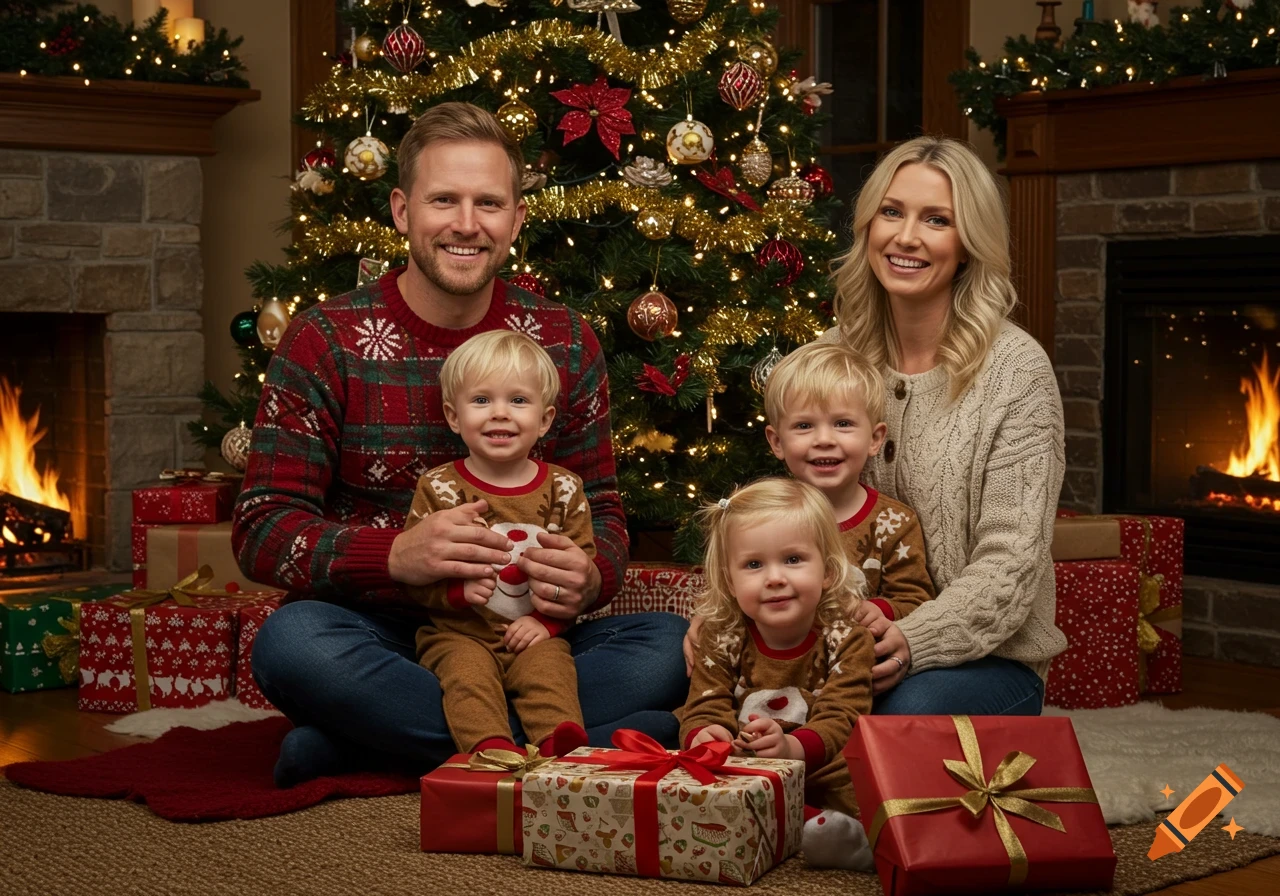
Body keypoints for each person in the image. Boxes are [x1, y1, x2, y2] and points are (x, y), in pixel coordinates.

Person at [233, 102, 688, 787]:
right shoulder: (324, 340)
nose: (467, 224)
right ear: (401, 211)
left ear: (516, 220)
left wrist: (588, 578)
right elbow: (263, 529)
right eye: (443, 199)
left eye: (489, 203)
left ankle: (373, 744)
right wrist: (396, 555)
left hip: (524, 634)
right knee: (290, 646)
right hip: (378, 632)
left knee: (670, 647)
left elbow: (602, 511)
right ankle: (566, 740)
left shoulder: (563, 342)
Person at [823, 134, 1067, 713]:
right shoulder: (834, 358)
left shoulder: (1017, 371)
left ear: (968, 245)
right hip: (844, 638)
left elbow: (1011, 565)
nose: (906, 237)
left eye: (937, 220)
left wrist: (912, 637)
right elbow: (789, 516)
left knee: (894, 716)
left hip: (989, 660)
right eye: (891, 212)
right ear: (868, 226)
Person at [407, 329, 590, 758]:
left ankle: (560, 749)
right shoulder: (437, 488)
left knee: (552, 671)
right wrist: (457, 591)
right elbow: (415, 578)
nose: (500, 414)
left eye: (519, 401)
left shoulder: (564, 488)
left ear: (544, 420)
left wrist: (547, 624)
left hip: (534, 634)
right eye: (482, 400)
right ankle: (490, 751)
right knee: (466, 675)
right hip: (458, 633)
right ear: (454, 417)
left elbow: (578, 574)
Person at [680, 478, 875, 871]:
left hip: (818, 762)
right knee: (682, 756)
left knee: (858, 780)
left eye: (793, 559)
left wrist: (791, 751)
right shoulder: (723, 637)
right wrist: (708, 734)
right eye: (753, 565)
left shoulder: (847, 638)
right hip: (741, 759)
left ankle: (843, 834)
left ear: (827, 570)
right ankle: (788, 821)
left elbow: (843, 716)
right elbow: (705, 700)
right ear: (730, 581)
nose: (774, 578)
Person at [762, 341, 934, 626]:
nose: (825, 440)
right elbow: (732, 584)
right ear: (777, 442)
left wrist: (881, 610)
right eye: (804, 426)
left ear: (875, 439)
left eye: (842, 423)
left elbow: (915, 599)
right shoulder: (762, 516)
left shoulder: (894, 522)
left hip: (858, 659)